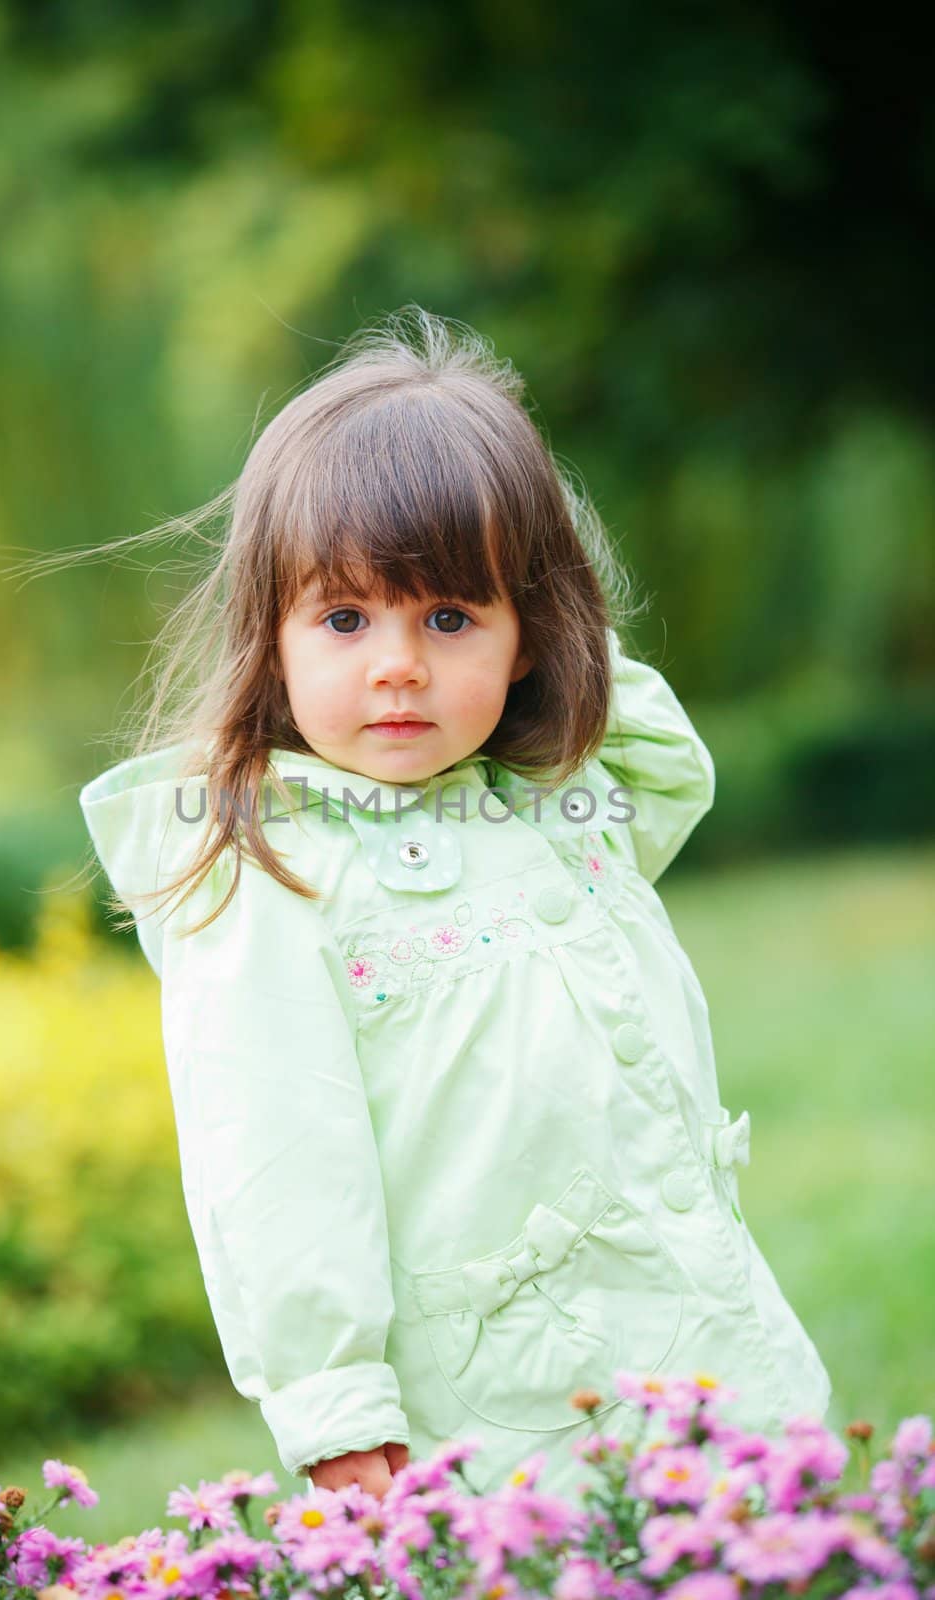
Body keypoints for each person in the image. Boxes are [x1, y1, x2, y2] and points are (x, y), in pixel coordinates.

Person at [78, 306, 831, 1502]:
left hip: (690, 1337)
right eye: (342, 618)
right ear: (267, 640)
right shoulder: (269, 872)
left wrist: (550, 605)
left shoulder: (550, 800)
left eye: (449, 616)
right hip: (494, 1404)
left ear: (530, 632)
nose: (396, 665)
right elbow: (271, 1155)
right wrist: (330, 1400)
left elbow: (665, 768)